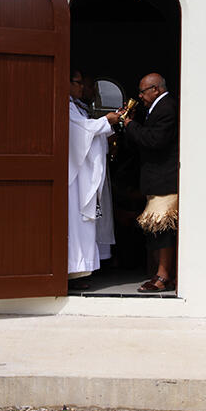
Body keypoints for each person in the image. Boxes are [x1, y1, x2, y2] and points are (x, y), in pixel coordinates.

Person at [122, 73, 179, 292]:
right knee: (155, 230)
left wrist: (130, 125)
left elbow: (155, 140)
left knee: (161, 228)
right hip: (155, 181)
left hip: (164, 181)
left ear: (156, 89)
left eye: (143, 91)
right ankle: (161, 274)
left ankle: (163, 277)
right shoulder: (155, 108)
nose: (140, 96)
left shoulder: (166, 108)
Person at [67, 69, 121, 288]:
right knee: (74, 222)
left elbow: (87, 130)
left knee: (82, 223)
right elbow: (81, 132)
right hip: (73, 177)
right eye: (78, 82)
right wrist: (106, 121)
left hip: (81, 175)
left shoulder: (75, 106)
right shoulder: (66, 106)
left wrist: (105, 125)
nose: (82, 87)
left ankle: (78, 272)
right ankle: (72, 271)